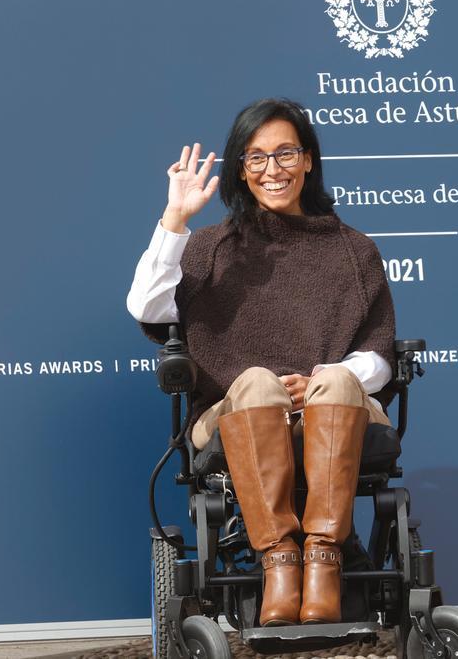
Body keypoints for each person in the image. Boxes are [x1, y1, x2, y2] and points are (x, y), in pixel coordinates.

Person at [126, 98, 395, 627]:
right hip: (233, 411)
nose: (273, 170)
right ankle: (278, 559)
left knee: (340, 379)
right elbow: (147, 309)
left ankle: (323, 558)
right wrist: (175, 218)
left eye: (285, 153)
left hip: (335, 408)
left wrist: (321, 381)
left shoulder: (354, 251)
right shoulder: (209, 248)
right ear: (242, 169)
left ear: (309, 159)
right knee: (255, 382)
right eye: (256, 157)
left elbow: (381, 355)